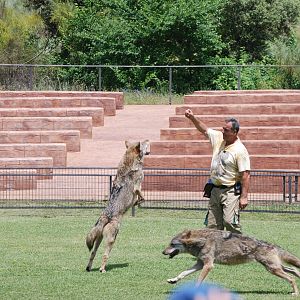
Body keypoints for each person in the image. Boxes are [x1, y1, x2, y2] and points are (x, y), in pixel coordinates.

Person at [185, 109, 250, 234]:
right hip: (215, 189)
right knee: (213, 225)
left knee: (230, 222)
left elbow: (245, 175)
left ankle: (237, 249)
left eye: (226, 130)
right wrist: (192, 117)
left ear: (235, 132)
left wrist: (244, 197)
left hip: (230, 190)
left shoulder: (240, 150)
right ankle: (214, 251)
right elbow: (204, 129)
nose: (223, 132)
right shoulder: (219, 138)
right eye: (223, 128)